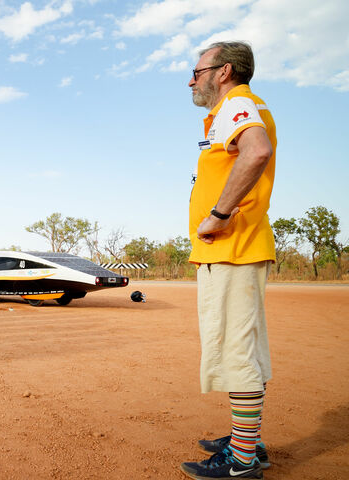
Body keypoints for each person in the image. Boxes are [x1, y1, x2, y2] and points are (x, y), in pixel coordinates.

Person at [180, 41, 276, 480]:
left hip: (232, 249)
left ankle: (241, 464)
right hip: (238, 250)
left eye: (198, 70)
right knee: (245, 350)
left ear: (224, 71)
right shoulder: (235, 109)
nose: (191, 79)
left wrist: (218, 216)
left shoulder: (236, 103)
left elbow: (256, 151)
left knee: (236, 353)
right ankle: (247, 441)